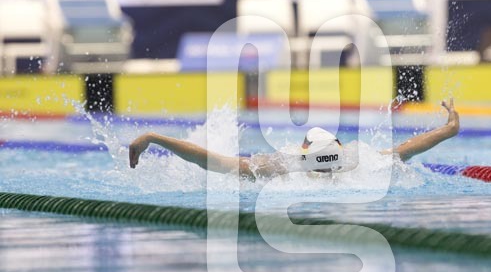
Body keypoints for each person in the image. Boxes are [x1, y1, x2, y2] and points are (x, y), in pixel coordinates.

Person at [129, 98, 460, 180]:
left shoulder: (284, 166)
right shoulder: (359, 162)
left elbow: (210, 160)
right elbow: (411, 147)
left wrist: (154, 137)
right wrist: (449, 128)